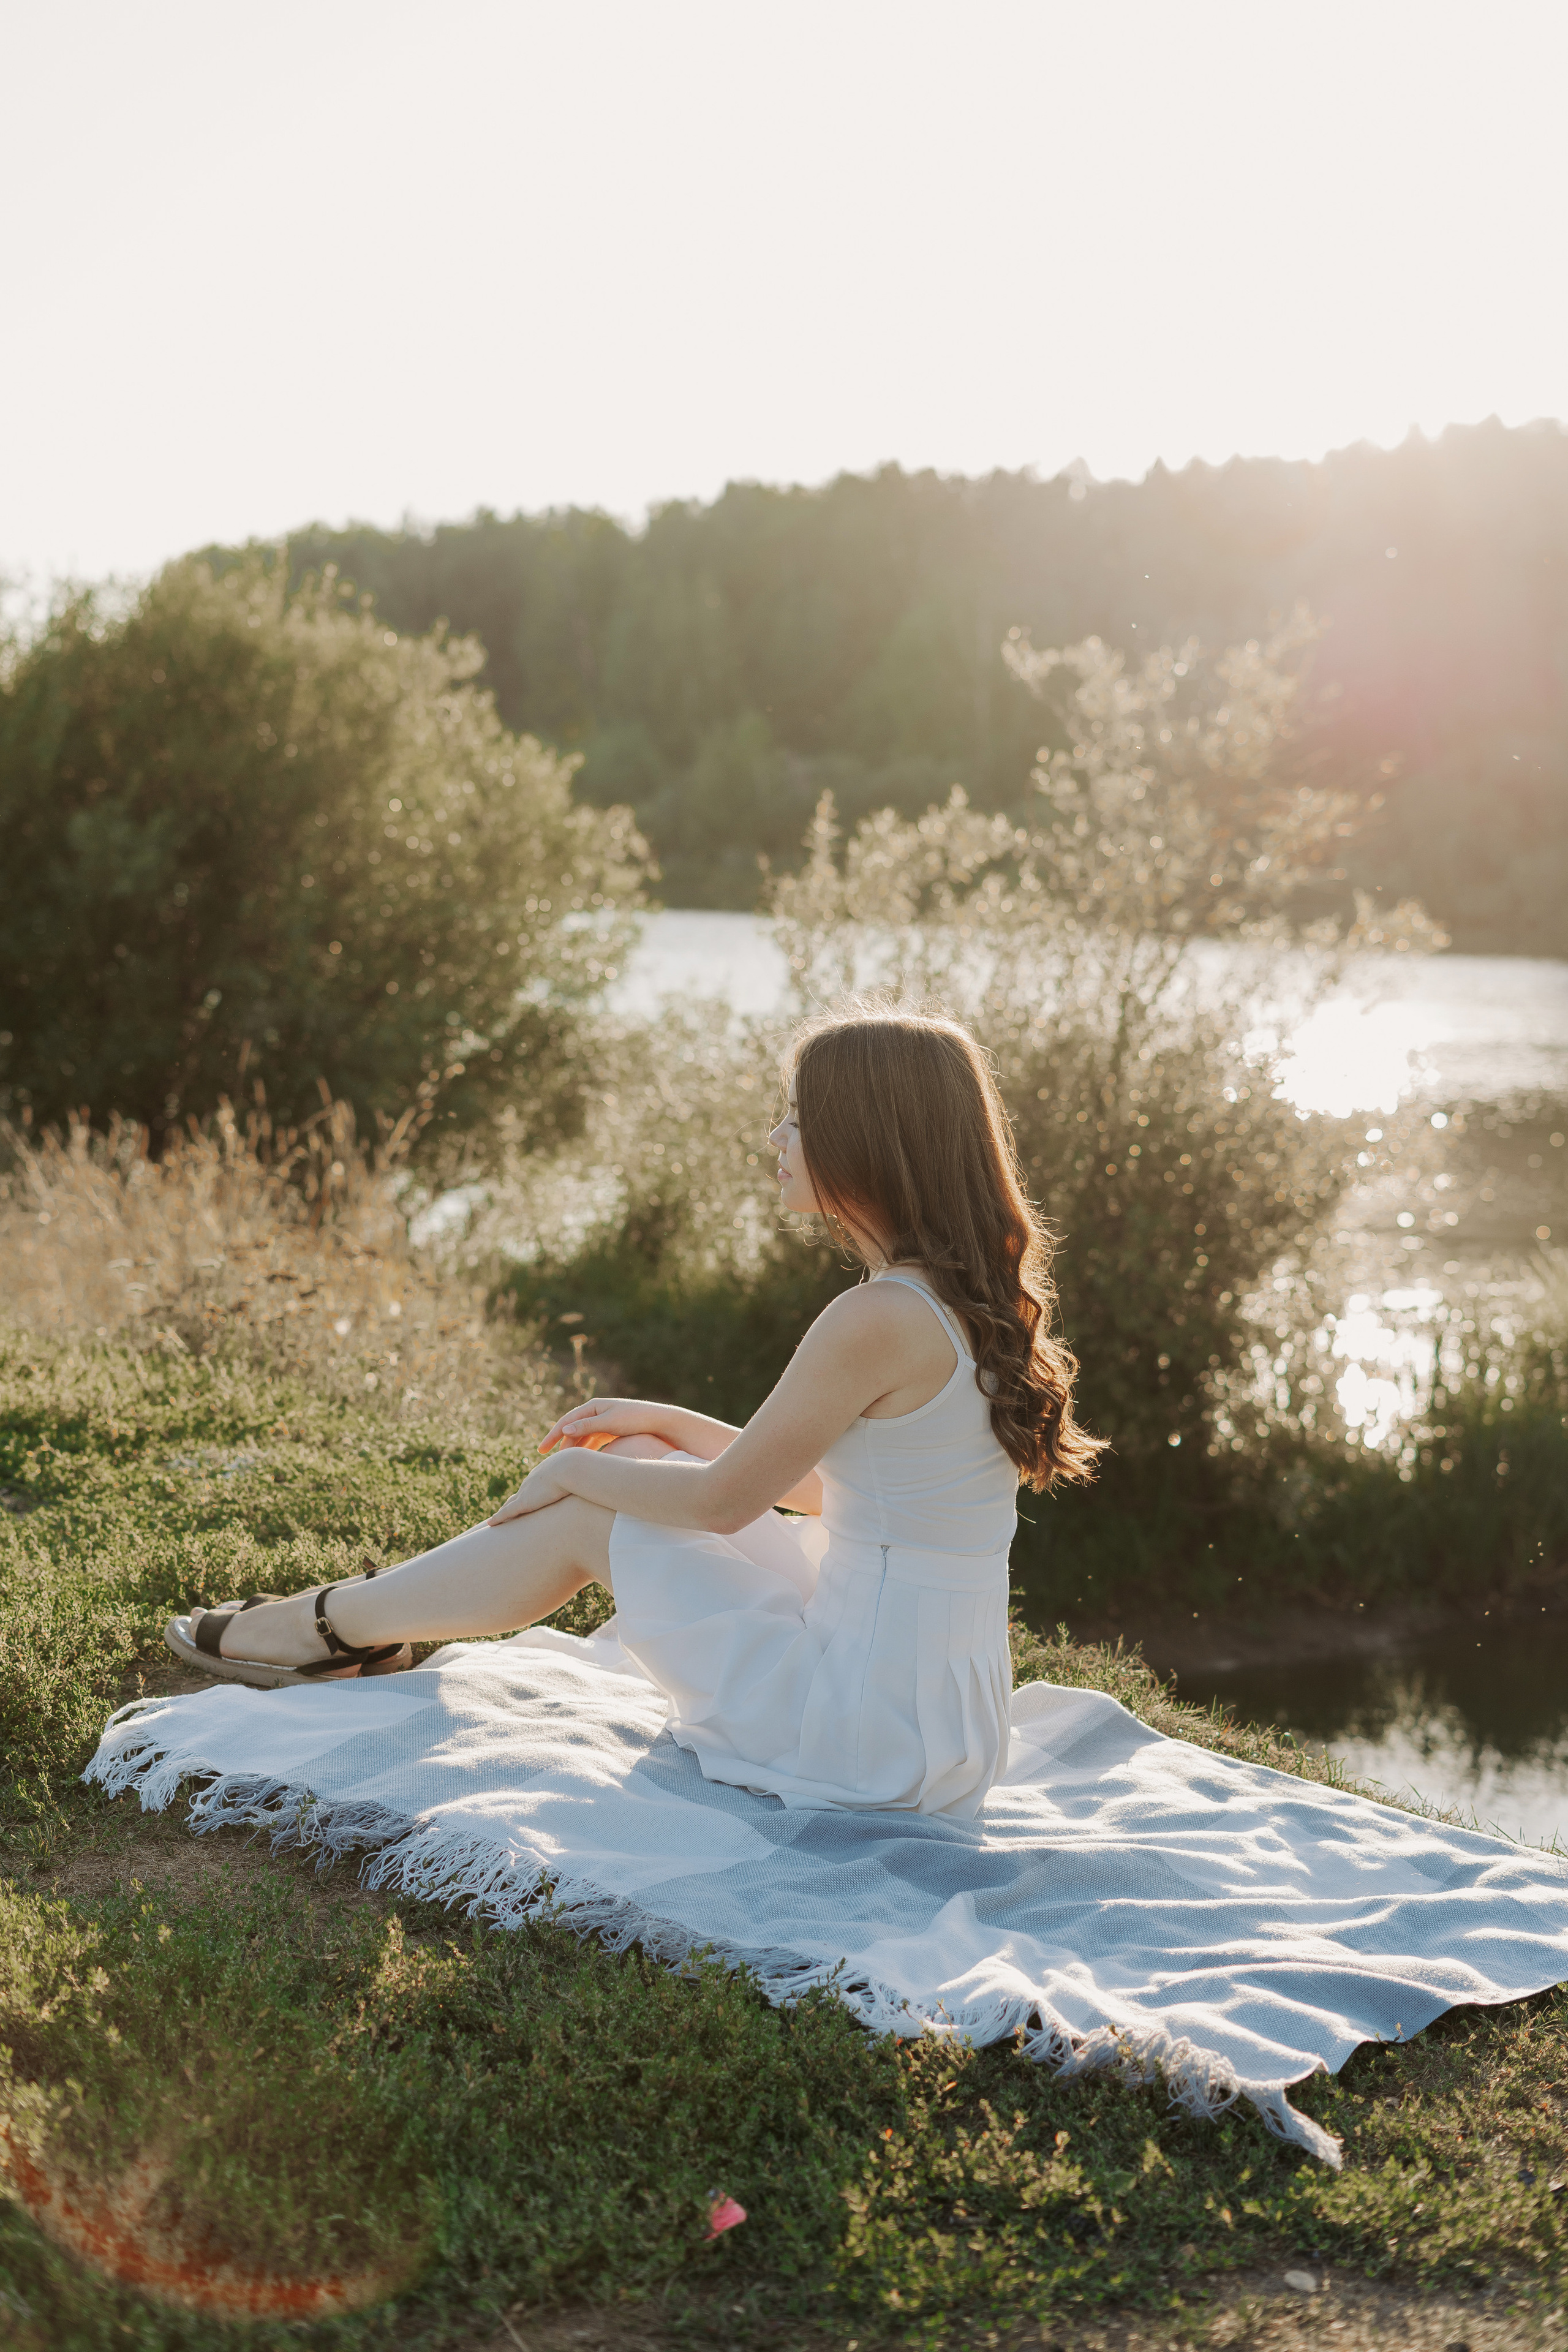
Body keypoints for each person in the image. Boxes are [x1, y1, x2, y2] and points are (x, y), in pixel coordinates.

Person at [169, 1008, 1104, 1816]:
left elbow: (721, 1508)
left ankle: (327, 1630)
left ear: (867, 1138)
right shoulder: (961, 1296)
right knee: (651, 1461)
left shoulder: (876, 1315)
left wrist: (573, 1469)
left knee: (594, 1512)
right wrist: (668, 1423)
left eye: (795, 1119)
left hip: (862, 1735)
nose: (776, 1141)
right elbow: (835, 1491)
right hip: (935, 1720)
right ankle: (355, 1627)